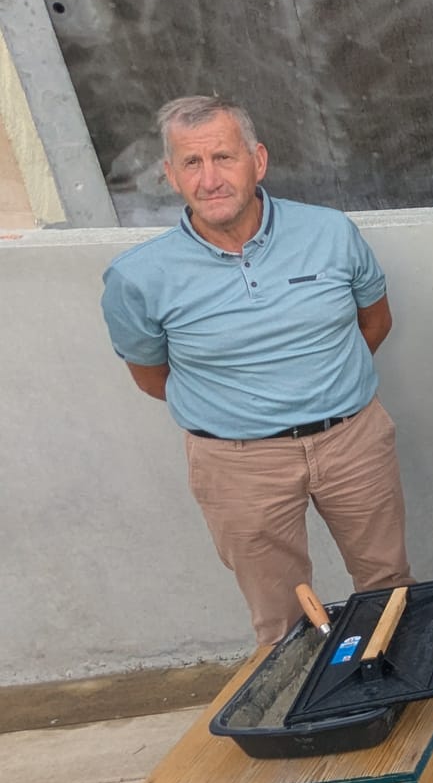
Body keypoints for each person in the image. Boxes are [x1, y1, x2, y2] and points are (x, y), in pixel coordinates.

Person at [100, 95, 414, 645]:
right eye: (192, 163)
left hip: (352, 442)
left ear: (258, 161)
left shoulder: (330, 232)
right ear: (170, 175)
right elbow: (151, 377)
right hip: (238, 465)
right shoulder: (138, 277)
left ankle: (397, 689)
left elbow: (376, 321)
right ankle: (304, 701)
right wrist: (243, 412)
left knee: (388, 586)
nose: (209, 179)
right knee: (281, 615)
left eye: (223, 157)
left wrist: (326, 388)